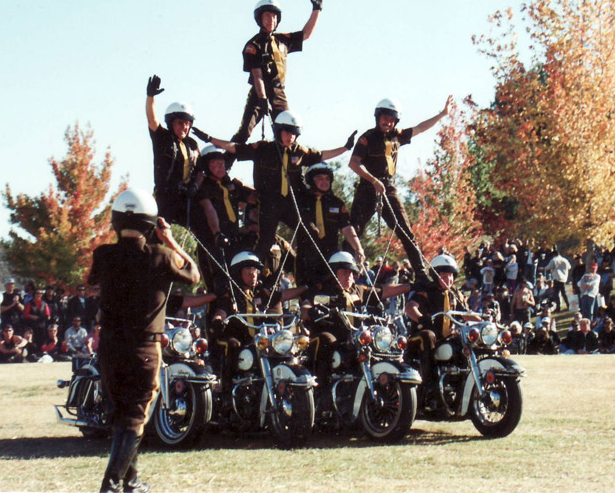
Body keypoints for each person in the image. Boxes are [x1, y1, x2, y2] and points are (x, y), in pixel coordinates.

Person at [88, 188, 200, 493]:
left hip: (110, 347)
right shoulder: (161, 255)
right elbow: (193, 273)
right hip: (143, 348)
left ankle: (132, 481)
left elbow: (91, 280)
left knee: (123, 414)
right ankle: (110, 486)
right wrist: (170, 240)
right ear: (151, 223)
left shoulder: (104, 254)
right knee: (136, 418)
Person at [198, 110, 353, 264]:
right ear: (279, 131)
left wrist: (345, 148)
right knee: (266, 241)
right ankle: (251, 270)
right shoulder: (263, 148)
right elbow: (235, 148)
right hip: (268, 203)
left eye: (294, 134)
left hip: (289, 203)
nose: (291, 137)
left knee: (311, 231)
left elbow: (321, 155)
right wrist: (209, 139)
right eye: (287, 133)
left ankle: (307, 266)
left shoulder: (298, 151)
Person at [348, 96, 453, 281]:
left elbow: (420, 128)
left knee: (405, 231)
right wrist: (373, 180)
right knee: (353, 231)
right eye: (384, 118)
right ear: (378, 117)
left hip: (388, 187)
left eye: (391, 119)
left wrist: (442, 114)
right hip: (367, 188)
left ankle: (421, 274)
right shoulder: (367, 138)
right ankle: (341, 271)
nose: (387, 122)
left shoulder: (397, 135)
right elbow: (354, 163)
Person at [301, 251, 410, 403]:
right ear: (333, 273)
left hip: (353, 338)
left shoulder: (358, 289)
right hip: (327, 338)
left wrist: (408, 286)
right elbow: (305, 307)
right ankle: (321, 390)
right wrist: (309, 311)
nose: (349, 276)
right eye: (344, 272)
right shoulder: (321, 290)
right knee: (328, 339)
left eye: (352, 273)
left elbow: (384, 290)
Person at [209, 250, 307, 412]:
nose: (253, 275)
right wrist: (218, 321)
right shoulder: (231, 294)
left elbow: (283, 295)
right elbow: (221, 311)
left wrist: (304, 288)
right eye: (248, 271)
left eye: (255, 271)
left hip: (261, 340)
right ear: (238, 273)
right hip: (240, 338)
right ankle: (226, 393)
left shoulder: (263, 292)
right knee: (232, 344)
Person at [233, 0, 324, 145]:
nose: (271, 20)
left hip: (279, 93)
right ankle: (223, 166)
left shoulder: (282, 40)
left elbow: (305, 34)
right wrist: (262, 99)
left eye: (274, 16)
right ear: (259, 18)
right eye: (267, 16)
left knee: (288, 130)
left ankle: (287, 168)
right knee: (244, 133)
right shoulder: (253, 45)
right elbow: (257, 76)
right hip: (259, 93)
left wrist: (316, 10)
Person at [404, 254, 471, 394]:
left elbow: (466, 314)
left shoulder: (454, 294)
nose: (449, 279)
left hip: (446, 338)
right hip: (420, 337)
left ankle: (463, 382)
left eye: (451, 276)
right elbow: (410, 307)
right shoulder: (426, 291)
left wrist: (486, 320)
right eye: (444, 276)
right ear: (435, 276)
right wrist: (422, 318)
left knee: (465, 340)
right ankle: (429, 383)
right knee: (428, 336)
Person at [194, 145, 256, 293]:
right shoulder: (204, 186)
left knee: (236, 283)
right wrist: (217, 233)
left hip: (233, 239)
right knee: (218, 285)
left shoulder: (230, 185)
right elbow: (209, 210)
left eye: (222, 163)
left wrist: (243, 186)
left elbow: (255, 198)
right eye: (215, 164)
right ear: (207, 167)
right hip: (213, 241)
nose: (220, 167)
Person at [145, 75, 202, 226]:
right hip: (165, 197)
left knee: (201, 227)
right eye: (180, 123)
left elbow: (201, 170)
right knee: (157, 233)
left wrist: (194, 186)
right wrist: (150, 96)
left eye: (187, 124)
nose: (184, 127)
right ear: (171, 123)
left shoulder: (193, 145)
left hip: (187, 197)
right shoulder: (162, 138)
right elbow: (152, 120)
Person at [295, 163, 365, 286]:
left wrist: (358, 249)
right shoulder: (300, 201)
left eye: (327, 179)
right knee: (307, 292)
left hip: (330, 256)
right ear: (311, 181)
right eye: (320, 178)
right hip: (306, 256)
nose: (324, 182)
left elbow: (347, 228)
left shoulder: (336, 203)